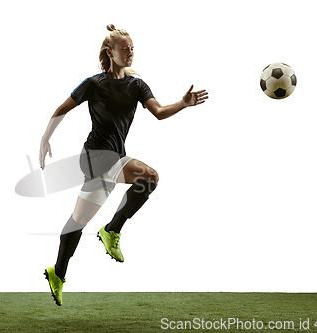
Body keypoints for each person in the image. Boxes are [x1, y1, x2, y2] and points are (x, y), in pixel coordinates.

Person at [40, 24, 208, 306]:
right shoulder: (93, 83)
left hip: (114, 156)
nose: (130, 53)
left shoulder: (137, 85)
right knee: (150, 176)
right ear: (110, 52)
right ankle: (113, 230)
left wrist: (182, 103)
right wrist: (45, 139)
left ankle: (57, 272)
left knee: (78, 221)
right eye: (125, 49)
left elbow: (159, 112)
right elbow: (61, 109)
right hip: (95, 155)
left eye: (132, 49)